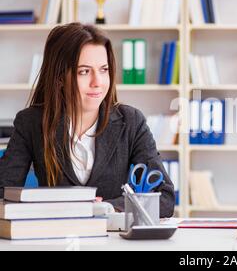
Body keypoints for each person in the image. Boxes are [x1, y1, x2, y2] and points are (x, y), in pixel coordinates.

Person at [0, 23, 175, 217]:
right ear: (59, 78)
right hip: (55, 239)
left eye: (103, 70)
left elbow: (164, 198)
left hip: (114, 242)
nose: (97, 82)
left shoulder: (131, 122)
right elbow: (2, 194)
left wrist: (107, 207)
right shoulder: (31, 123)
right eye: (84, 71)